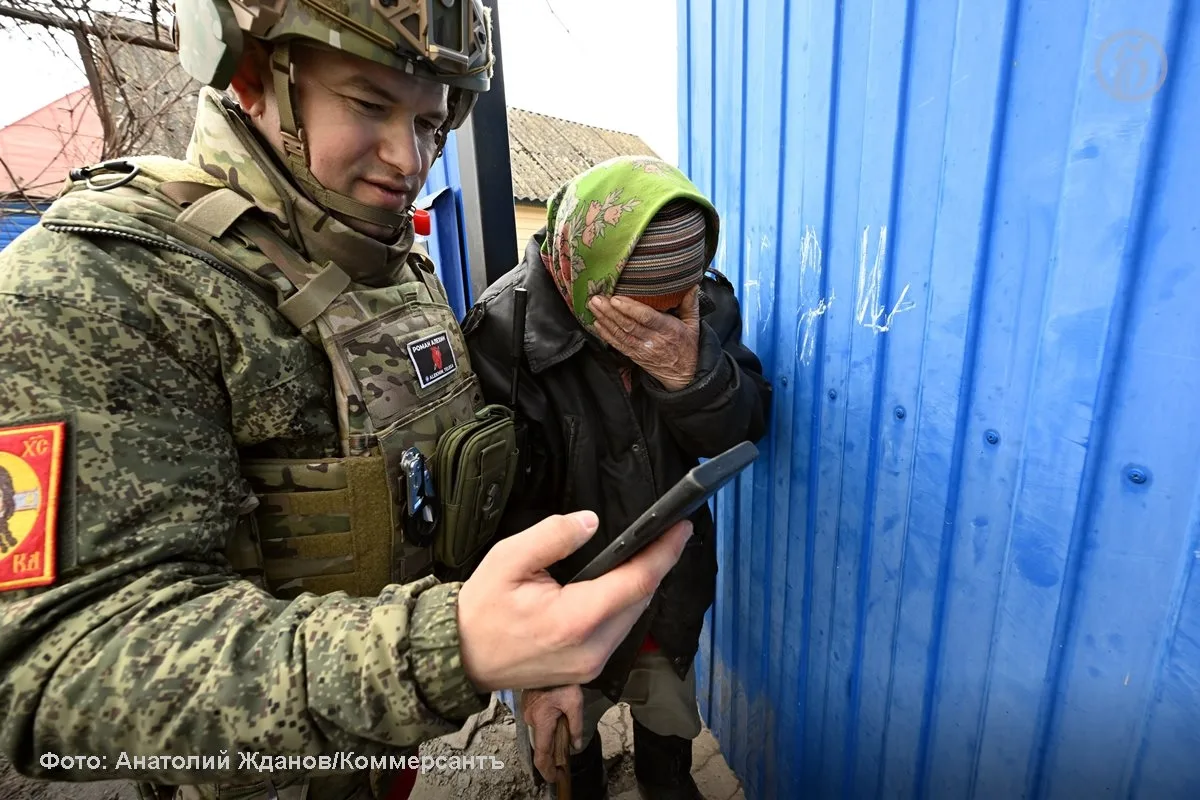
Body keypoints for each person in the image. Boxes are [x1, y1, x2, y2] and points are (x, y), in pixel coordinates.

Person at [0, 2, 695, 799]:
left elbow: (450, 499)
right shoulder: (102, 284)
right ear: (252, 73)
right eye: (369, 104)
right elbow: (56, 667)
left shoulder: (397, 271)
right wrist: (452, 648)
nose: (409, 157)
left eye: (431, 123)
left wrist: (533, 651)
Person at [462, 155, 772, 799]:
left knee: (669, 724)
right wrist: (541, 665)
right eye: (637, 311)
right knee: (568, 753)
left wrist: (693, 374)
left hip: (670, 582)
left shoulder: (705, 304)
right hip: (561, 598)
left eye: (680, 305)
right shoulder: (503, 332)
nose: (666, 322)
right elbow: (495, 516)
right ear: (587, 277)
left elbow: (744, 425)